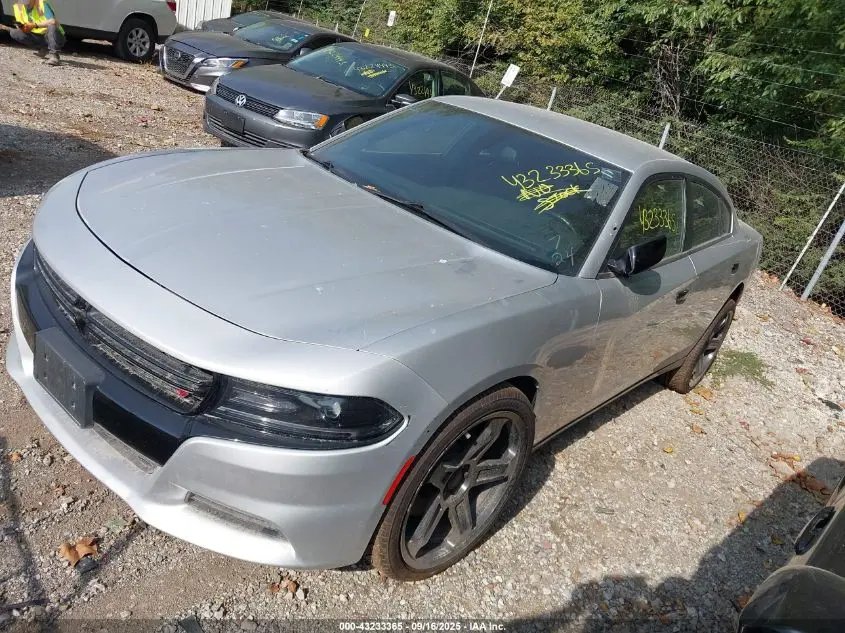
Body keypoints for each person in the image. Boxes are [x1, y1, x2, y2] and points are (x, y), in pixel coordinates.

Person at [8, 0, 65, 66]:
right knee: (15, 33)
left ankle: (55, 56)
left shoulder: (42, 4)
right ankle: (44, 48)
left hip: (55, 36)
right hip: (38, 36)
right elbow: (19, 24)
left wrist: (35, 25)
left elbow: (52, 22)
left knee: (52, 27)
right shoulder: (18, 7)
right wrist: (23, 28)